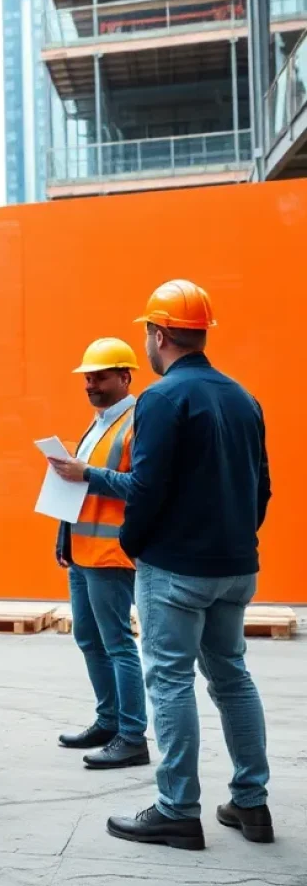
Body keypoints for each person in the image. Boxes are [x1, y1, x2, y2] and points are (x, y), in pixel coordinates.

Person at [107, 280, 272, 851]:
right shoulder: (243, 397)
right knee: (231, 676)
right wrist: (236, 541)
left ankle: (177, 809)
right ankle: (251, 802)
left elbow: (146, 486)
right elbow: (261, 488)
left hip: (176, 567)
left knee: (171, 680)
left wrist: (133, 543)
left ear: (158, 334)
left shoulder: (161, 399)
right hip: (235, 565)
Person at [46, 338, 149, 770]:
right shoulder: (99, 424)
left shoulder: (136, 423)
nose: (90, 384)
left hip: (109, 552)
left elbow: (140, 486)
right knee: (88, 639)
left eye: (100, 377)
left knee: (117, 644)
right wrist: (64, 535)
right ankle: (109, 721)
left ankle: (132, 735)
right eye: (88, 378)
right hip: (82, 550)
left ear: (125, 377)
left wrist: (85, 471)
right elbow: (79, 485)